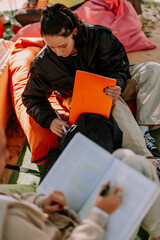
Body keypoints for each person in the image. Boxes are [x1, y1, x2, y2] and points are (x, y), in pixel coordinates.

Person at [22, 4, 160, 162]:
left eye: (63, 46)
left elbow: (120, 65)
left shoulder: (100, 36)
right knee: (108, 100)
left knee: (153, 70)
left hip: (111, 84)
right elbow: (31, 97)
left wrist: (118, 83)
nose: (59, 53)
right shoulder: (43, 63)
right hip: (78, 99)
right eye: (51, 47)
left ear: (74, 31)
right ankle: (146, 159)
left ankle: (143, 132)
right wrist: (50, 120)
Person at [0, 126, 160, 239]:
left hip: (65, 221)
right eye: (1, 151)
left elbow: (17, 201)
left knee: (121, 156)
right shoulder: (9, 224)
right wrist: (100, 212)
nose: (8, 155)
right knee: (138, 166)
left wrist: (42, 202)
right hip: (86, 232)